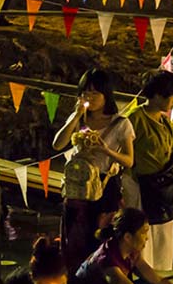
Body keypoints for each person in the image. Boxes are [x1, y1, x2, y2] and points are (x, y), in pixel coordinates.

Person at [53, 68, 136, 273]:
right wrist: (76, 115)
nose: (89, 97)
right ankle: (74, 280)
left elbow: (129, 160)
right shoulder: (79, 119)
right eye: (84, 92)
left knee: (99, 239)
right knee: (74, 241)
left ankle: (100, 280)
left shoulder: (120, 123)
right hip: (77, 188)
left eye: (94, 93)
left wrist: (105, 150)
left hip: (104, 187)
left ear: (106, 94)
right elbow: (57, 144)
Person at [125, 71, 173, 271]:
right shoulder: (135, 119)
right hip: (141, 184)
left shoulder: (164, 120)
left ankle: (158, 272)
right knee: (144, 233)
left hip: (163, 185)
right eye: (172, 97)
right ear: (158, 95)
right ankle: (142, 270)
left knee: (162, 231)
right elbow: (124, 152)